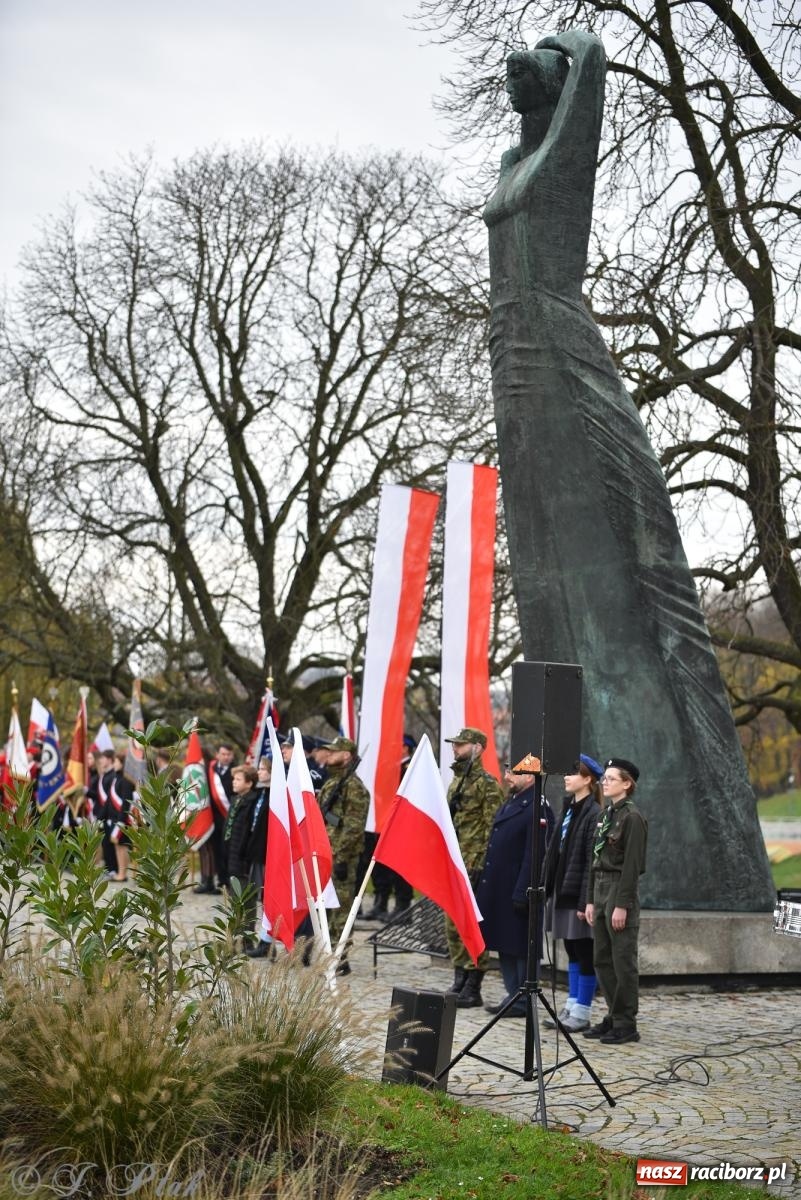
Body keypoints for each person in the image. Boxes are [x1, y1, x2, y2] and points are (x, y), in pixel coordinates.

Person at [474, 760, 553, 1017]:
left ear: (530, 777)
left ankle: (523, 998)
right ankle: (513, 994)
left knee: (521, 945)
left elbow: (535, 855)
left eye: (513, 772)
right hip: (500, 886)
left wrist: (524, 890)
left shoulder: (537, 807)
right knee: (504, 942)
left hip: (518, 889)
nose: (507, 776)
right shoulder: (514, 800)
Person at [584, 758, 648, 1045]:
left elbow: (633, 866)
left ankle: (626, 1022)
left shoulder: (632, 818)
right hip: (599, 888)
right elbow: (594, 860)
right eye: (604, 778)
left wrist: (621, 904)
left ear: (627, 783)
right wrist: (589, 901)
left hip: (619, 888)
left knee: (622, 959)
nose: (604, 782)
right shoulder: (605, 814)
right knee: (602, 957)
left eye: (611, 778)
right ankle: (613, 1012)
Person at [542, 754, 603, 1031]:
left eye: (573, 773)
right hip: (562, 889)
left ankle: (583, 1011)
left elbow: (591, 861)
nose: (566, 777)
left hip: (578, 894)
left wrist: (585, 900)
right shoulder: (570, 809)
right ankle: (571, 1006)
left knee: (583, 950)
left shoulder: (593, 813)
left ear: (588, 779)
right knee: (571, 950)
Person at [443, 727, 504, 1008]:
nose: (456, 748)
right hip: (455, 863)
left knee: (472, 925)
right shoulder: (456, 781)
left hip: (474, 863)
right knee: (452, 923)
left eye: (461, 744)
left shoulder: (487, 783)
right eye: (455, 744)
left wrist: (482, 864)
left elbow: (493, 827)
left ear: (477, 748)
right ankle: (459, 977)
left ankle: (473, 983)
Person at [318, 735, 370, 974]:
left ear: (347, 755)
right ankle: (329, 953)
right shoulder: (332, 783)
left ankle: (341, 958)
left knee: (340, 908)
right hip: (326, 853)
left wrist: (339, 856)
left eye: (334, 751)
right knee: (326, 907)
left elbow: (353, 826)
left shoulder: (354, 787)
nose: (329, 754)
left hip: (342, 858)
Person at [365, 734, 416, 922]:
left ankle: (403, 907)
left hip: (402, 824)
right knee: (382, 865)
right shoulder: (391, 767)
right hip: (385, 821)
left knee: (400, 866)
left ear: (406, 748)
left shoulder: (409, 767)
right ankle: (382, 901)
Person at [223, 764, 260, 951]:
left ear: (249, 783)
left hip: (244, 859)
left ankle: (246, 939)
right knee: (234, 899)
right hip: (233, 856)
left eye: (238, 779)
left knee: (247, 900)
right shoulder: (236, 800)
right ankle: (234, 937)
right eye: (234, 779)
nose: (234, 783)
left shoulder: (253, 802)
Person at [197, 742, 235, 894]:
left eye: (229, 755)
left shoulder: (235, 772)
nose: (226, 757)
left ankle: (225, 881)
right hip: (211, 818)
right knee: (215, 851)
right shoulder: (209, 770)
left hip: (227, 818)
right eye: (223, 754)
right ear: (218, 755)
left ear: (232, 756)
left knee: (226, 851)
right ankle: (215, 881)